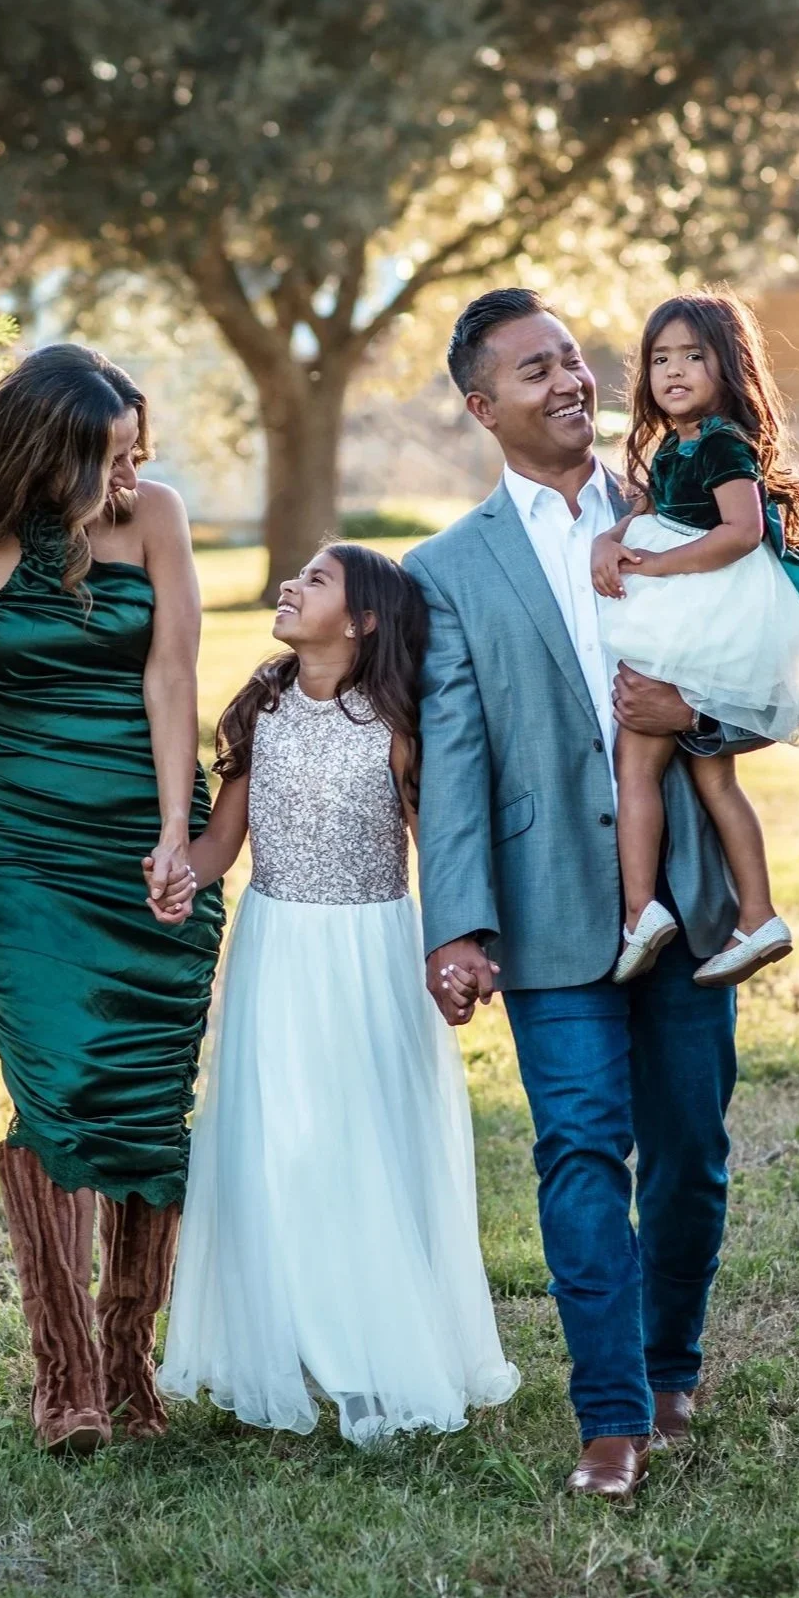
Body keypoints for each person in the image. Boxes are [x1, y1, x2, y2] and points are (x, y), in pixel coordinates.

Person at [404, 287, 757, 1500]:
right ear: (481, 405)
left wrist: (693, 716)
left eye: (572, 359)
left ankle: (672, 1364)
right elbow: (450, 754)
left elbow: (764, 672)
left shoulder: (679, 509)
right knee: (576, 1152)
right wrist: (456, 919)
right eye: (533, 370)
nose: (569, 382)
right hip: (548, 901)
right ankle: (610, 1416)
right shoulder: (443, 571)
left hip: (690, 896)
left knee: (691, 1154)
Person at [0, 345, 223, 1455]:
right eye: (111, 461)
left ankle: (129, 1364)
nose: (129, 480)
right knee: (58, 1090)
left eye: (138, 456)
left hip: (141, 842)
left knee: (142, 1096)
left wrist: (178, 836)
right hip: (23, 854)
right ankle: (65, 1376)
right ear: (46, 456)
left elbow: (171, 672)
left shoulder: (155, 519)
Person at [149, 544, 520, 1446]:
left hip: (369, 954)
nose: (292, 586)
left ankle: (372, 1350)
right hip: (276, 949)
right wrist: (177, 875)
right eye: (299, 575)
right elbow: (220, 846)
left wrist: (456, 948)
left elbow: (440, 848)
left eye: (317, 581)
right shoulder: (264, 708)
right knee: (277, 1143)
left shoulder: (393, 723)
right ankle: (280, 1343)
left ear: (361, 623)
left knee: (363, 1140)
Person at [591, 291, 799, 988]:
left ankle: (642, 911)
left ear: (727, 365)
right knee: (710, 774)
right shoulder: (677, 443)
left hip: (704, 615)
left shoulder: (725, 442)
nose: (673, 370)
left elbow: (740, 530)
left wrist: (658, 564)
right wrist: (611, 541)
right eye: (660, 358)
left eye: (692, 356)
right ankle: (757, 914)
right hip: (694, 613)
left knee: (636, 762)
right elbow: (645, 509)